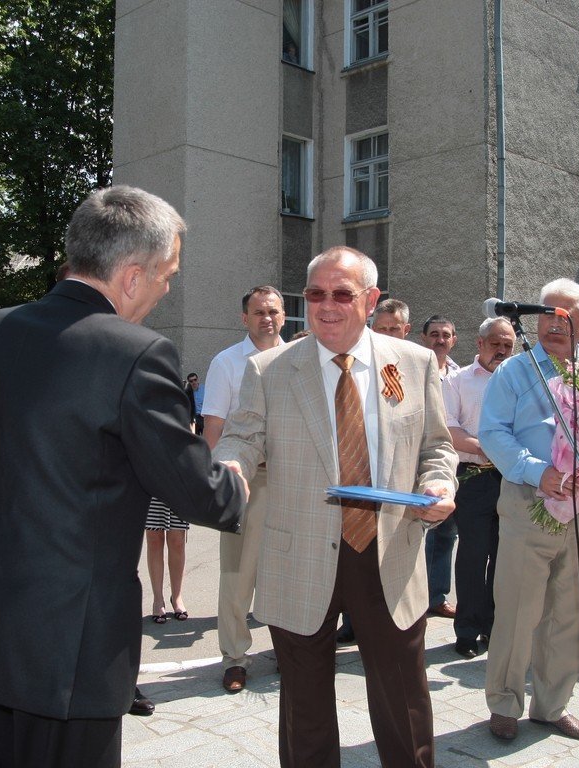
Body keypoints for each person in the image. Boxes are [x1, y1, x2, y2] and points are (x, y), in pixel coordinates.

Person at [0, 185, 246, 768]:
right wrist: (236, 484)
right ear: (131, 276)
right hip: (72, 640)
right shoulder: (139, 354)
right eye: (167, 275)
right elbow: (195, 491)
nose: (167, 288)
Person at [214, 246, 457, 768]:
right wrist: (231, 466)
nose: (326, 305)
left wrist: (438, 485)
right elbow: (240, 436)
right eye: (316, 294)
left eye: (341, 294)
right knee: (305, 706)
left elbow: (436, 446)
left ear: (370, 300)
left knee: (403, 699)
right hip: (299, 551)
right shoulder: (270, 369)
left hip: (388, 550)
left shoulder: (413, 364)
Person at [479, 277, 579, 743]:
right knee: (517, 609)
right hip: (529, 502)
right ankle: (504, 704)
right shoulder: (516, 371)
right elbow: (493, 432)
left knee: (569, 611)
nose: (552, 323)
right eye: (546, 313)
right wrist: (536, 471)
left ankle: (552, 706)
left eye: (565, 316)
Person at [201, 286, 285, 693]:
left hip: (290, 482)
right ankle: (235, 657)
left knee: (286, 572)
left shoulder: (299, 359)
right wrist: (218, 483)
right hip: (245, 480)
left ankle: (288, 650)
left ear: (284, 316)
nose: (266, 318)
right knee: (237, 574)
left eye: (273, 311)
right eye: (258, 312)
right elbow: (213, 427)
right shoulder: (227, 362)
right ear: (244, 318)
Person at [337, 296, 413, 645]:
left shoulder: (413, 368)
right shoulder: (356, 366)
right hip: (352, 485)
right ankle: (351, 623)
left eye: (393, 329)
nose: (386, 334)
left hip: (397, 495)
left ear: (406, 331)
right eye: (380, 328)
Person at [443, 316, 515, 659]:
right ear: (480, 344)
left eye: (508, 346)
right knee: (473, 555)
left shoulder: (519, 381)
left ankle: (495, 627)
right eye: (496, 344)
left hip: (512, 479)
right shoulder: (457, 381)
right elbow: (449, 429)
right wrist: (489, 449)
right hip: (473, 476)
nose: (501, 351)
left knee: (505, 557)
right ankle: (467, 630)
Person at [420, 314, 460, 619]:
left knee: (445, 535)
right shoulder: (413, 367)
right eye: (435, 334)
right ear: (424, 337)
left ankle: (436, 596)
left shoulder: (459, 376)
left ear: (454, 340)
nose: (440, 340)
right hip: (417, 458)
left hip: (448, 464)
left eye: (446, 335)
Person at [145, 497, 189, 623]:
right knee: (154, 539)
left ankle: (177, 596)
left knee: (178, 541)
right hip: (151, 484)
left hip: (178, 483)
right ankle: (158, 599)